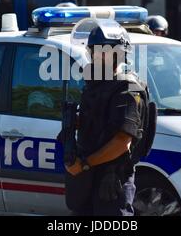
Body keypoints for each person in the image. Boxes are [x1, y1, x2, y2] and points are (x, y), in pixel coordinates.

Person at [64, 19, 149, 216]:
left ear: (119, 55)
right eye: (95, 51)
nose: (98, 56)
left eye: (105, 52)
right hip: (88, 178)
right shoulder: (97, 85)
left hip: (111, 180)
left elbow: (122, 142)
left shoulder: (127, 89)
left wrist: (85, 164)